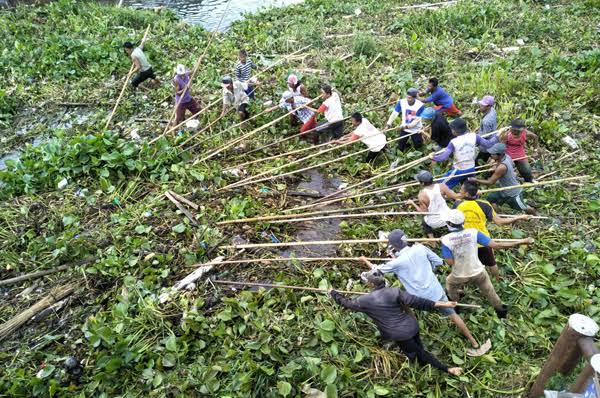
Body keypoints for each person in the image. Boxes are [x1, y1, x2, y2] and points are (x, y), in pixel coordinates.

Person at [360, 229, 490, 356]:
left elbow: (376, 271)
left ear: (393, 246)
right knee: (454, 316)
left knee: (403, 305)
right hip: (435, 293)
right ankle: (474, 343)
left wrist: (364, 260)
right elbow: (438, 262)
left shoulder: (396, 262)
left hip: (418, 300)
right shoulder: (420, 248)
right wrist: (428, 269)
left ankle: (413, 333)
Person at [330, 271, 463, 376]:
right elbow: (417, 301)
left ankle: (447, 369)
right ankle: (419, 359)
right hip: (412, 326)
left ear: (370, 285)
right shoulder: (394, 291)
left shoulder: (364, 300)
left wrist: (333, 293)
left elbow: (346, 303)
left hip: (399, 333)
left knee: (418, 352)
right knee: (418, 347)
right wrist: (443, 303)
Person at [440, 209, 534, 318]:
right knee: (490, 292)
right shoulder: (473, 233)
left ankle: (456, 306)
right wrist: (521, 241)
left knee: (449, 284)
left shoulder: (446, 240)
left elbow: (450, 262)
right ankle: (501, 312)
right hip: (478, 272)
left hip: (460, 275)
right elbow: (496, 245)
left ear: (450, 224)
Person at [454, 180, 531, 279]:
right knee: (491, 263)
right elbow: (500, 222)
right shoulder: (485, 204)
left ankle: (472, 280)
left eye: (461, 190)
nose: (459, 192)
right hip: (483, 241)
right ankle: (497, 280)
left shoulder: (457, 204)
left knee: (468, 264)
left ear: (466, 193)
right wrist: (518, 217)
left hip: (465, 241)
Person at [470, 143, 536, 214]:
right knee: (490, 200)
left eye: (493, 154)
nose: (491, 155)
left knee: (523, 207)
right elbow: (512, 165)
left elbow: (490, 182)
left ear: (499, 155)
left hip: (512, 192)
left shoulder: (502, 167)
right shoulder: (506, 156)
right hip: (503, 189)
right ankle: (500, 215)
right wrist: (495, 167)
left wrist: (476, 180)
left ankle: (535, 214)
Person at [431, 118, 496, 189]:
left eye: (452, 129)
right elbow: (488, 144)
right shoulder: (474, 136)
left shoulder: (453, 142)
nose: (451, 130)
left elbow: (444, 157)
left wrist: (433, 157)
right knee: (468, 188)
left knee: (441, 185)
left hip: (459, 170)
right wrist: (497, 136)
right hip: (471, 169)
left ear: (455, 131)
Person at [408, 170, 462, 238]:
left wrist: (412, 203)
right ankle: (455, 227)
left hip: (434, 222)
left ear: (422, 183)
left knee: (424, 222)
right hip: (449, 217)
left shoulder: (422, 195)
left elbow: (424, 213)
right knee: (458, 201)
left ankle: (432, 241)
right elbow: (454, 196)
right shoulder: (442, 186)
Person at [475, 95, 497, 165]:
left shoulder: (486, 121)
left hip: (486, 144)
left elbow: (486, 135)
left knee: (479, 160)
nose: (480, 106)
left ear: (488, 106)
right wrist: (480, 128)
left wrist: (476, 135)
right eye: (481, 105)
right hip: (493, 135)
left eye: (482, 106)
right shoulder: (493, 110)